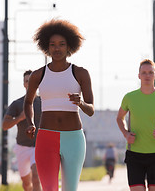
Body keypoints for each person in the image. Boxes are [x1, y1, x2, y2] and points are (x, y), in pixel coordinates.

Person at [24, 19, 95, 191]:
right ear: (46, 47)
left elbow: (91, 109)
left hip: (74, 139)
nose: (57, 48)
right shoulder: (38, 75)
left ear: (69, 46)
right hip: (46, 139)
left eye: (62, 44)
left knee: (70, 189)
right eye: (53, 44)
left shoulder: (80, 73)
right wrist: (30, 122)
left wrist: (81, 103)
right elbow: (28, 102)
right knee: (49, 189)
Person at [116, 59, 155, 191]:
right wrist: (126, 133)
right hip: (134, 154)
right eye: (144, 72)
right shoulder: (129, 97)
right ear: (139, 75)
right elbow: (119, 118)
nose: (147, 76)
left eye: (150, 73)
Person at [2, 70, 42, 191]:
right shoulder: (17, 104)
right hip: (22, 147)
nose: (29, 83)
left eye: (32, 81)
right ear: (24, 84)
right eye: (27, 81)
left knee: (36, 177)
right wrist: (19, 118)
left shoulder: (44, 102)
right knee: (26, 183)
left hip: (38, 146)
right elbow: (5, 125)